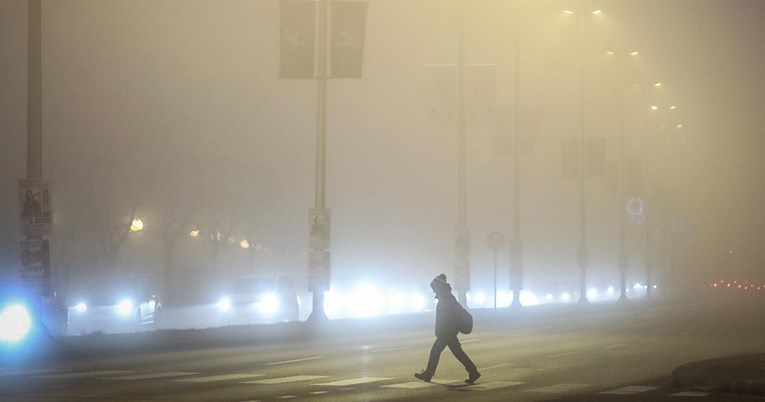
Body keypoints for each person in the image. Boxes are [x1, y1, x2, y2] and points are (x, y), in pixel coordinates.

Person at [414, 273, 481, 384]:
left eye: (434, 289)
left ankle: (428, 374)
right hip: (447, 332)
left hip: (447, 333)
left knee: (436, 351)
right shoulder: (447, 297)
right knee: (457, 353)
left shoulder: (446, 299)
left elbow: (446, 318)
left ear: (438, 288)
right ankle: (473, 371)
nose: (434, 291)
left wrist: (442, 331)